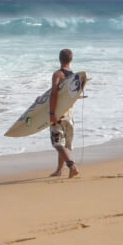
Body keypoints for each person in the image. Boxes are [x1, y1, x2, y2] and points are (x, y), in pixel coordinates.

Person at [49, 49, 79, 178]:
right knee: (63, 143)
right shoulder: (73, 76)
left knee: (57, 144)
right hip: (69, 113)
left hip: (59, 114)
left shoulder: (58, 74)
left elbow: (54, 93)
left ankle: (72, 166)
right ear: (70, 60)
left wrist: (52, 112)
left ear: (59, 59)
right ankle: (59, 171)